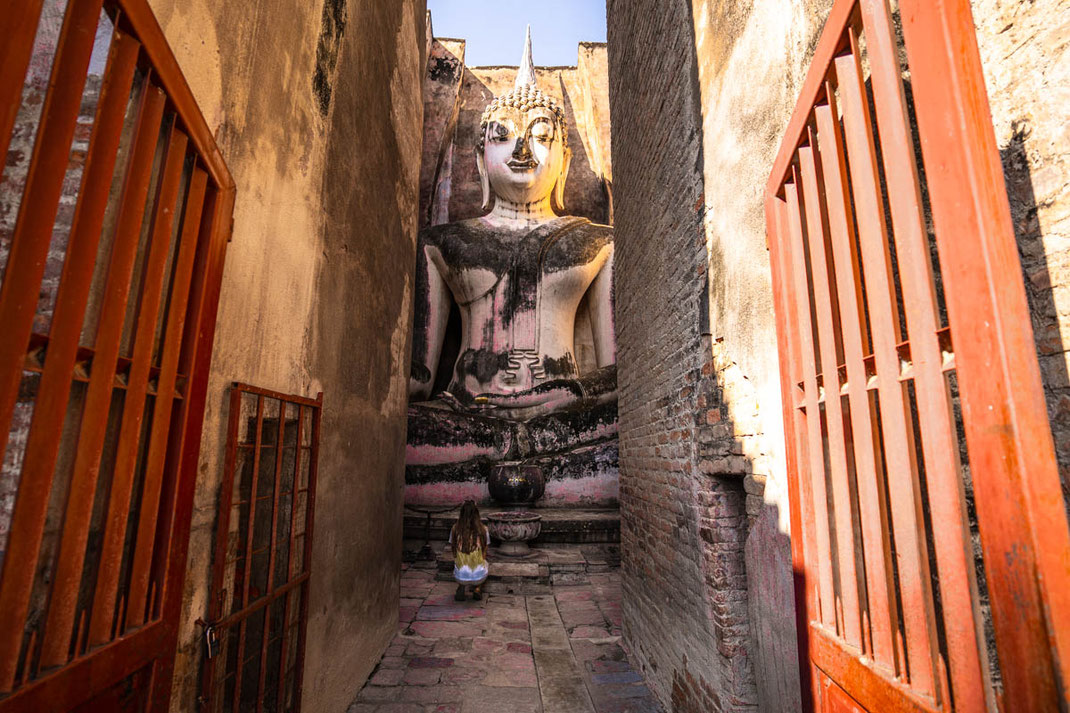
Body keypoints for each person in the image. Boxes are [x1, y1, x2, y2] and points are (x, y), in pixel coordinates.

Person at [449, 500, 491, 601]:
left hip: (460, 576)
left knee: (460, 563)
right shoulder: (483, 529)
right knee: (485, 563)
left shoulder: (455, 528)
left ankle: (461, 587)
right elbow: (485, 551)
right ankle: (477, 588)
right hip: (479, 576)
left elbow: (453, 550)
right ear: (477, 514)